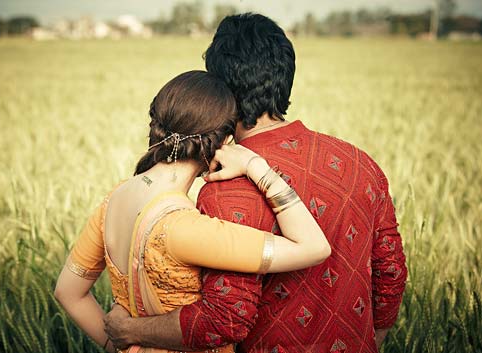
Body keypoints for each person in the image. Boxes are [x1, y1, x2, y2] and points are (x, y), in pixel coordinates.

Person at [104, 13, 407, 353]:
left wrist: (130, 330)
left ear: (221, 92)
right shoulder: (361, 164)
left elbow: (225, 320)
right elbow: (391, 273)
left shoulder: (223, 188)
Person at [54, 70, 331, 352]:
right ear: (223, 143)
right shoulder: (183, 229)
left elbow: (68, 292)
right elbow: (313, 246)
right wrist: (256, 167)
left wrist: (122, 347)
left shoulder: (114, 199)